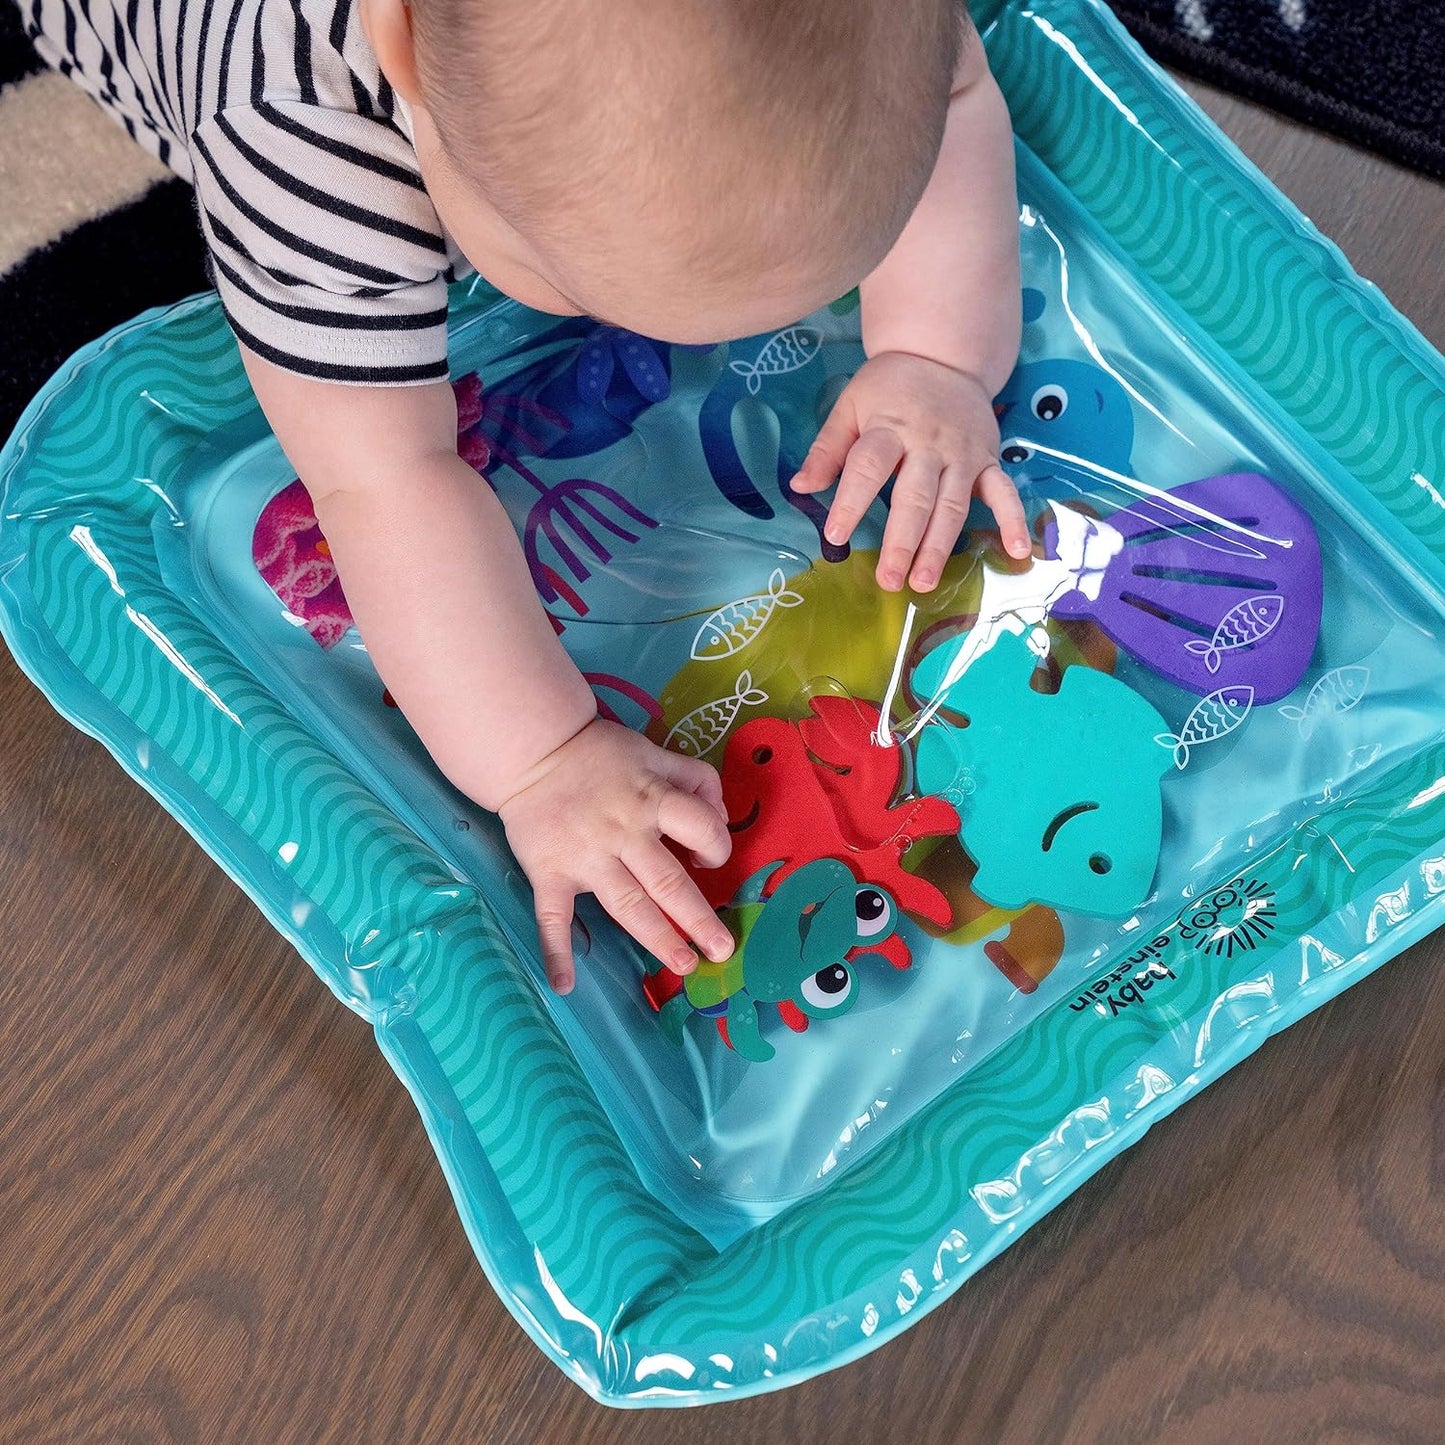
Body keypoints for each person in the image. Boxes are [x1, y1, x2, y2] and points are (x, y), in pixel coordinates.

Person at [26, 0, 1027, 992]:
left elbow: (948, 85)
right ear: (404, 48)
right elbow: (381, 482)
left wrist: (933, 355)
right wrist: (542, 758)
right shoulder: (299, 142)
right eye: (589, 292)